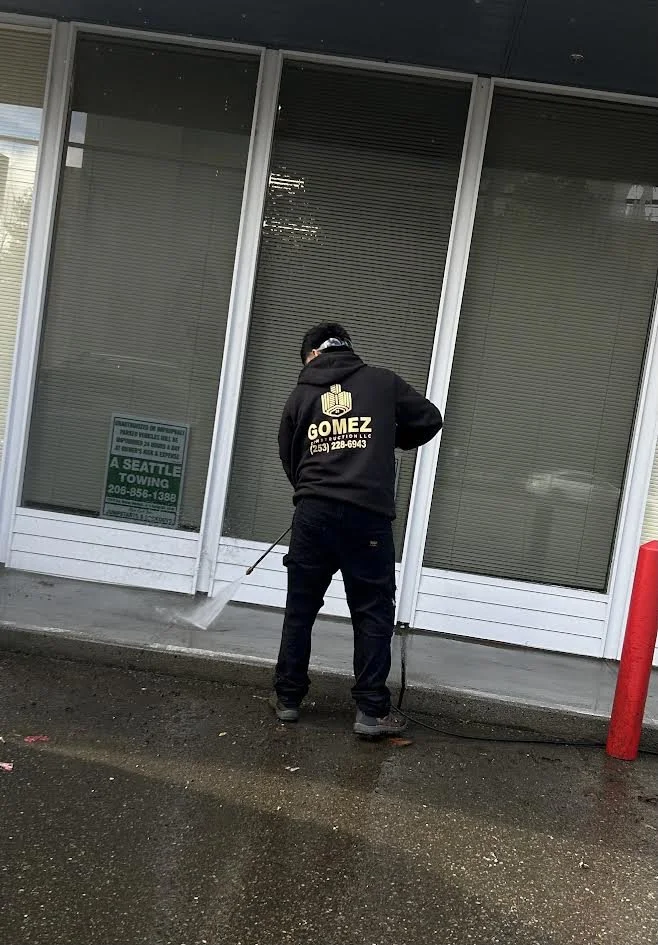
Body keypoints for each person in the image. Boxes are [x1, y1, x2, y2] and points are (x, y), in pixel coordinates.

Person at [271, 322, 443, 736]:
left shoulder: (301, 394)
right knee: (371, 613)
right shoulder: (382, 383)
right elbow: (429, 419)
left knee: (301, 610)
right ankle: (371, 712)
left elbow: (288, 453)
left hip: (313, 515)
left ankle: (289, 698)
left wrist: (312, 491)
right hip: (367, 517)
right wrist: (389, 437)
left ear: (313, 354)